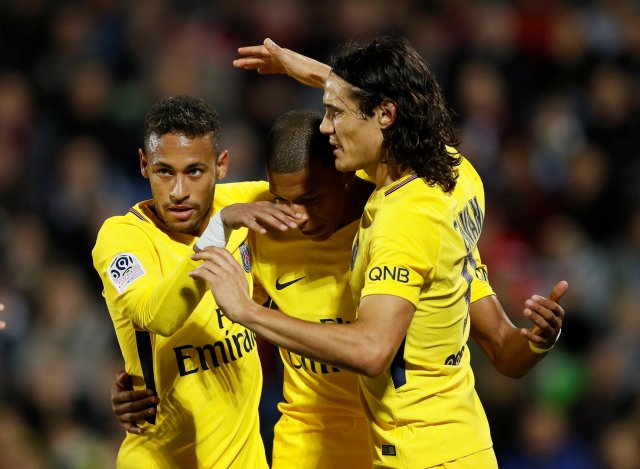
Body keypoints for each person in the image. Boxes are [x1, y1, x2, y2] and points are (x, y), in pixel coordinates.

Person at [112, 108, 565, 468]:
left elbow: (504, 349)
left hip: (401, 440)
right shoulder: (260, 216)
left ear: (349, 173)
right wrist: (145, 375)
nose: (297, 216)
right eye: (281, 198)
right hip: (308, 441)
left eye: (310, 200)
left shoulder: (407, 224)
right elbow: (190, 217)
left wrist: (537, 343)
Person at [92, 95, 301, 468]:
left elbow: (340, 183)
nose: (178, 192)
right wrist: (221, 229)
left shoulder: (239, 205)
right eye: (164, 171)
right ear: (144, 165)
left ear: (221, 166)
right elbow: (155, 315)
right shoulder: (122, 238)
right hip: (159, 458)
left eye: (194, 172)